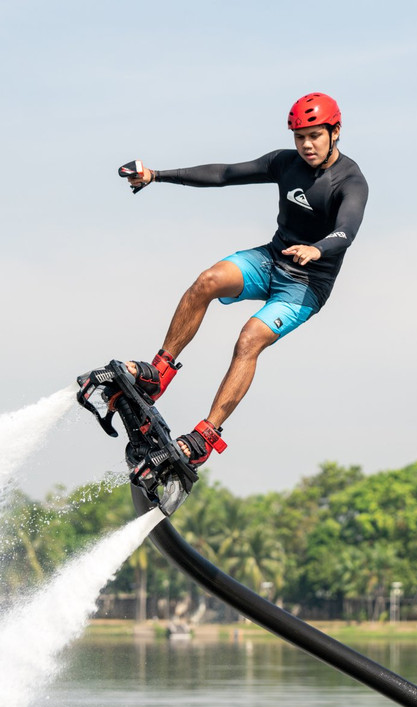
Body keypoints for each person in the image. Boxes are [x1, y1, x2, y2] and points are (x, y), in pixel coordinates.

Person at [122, 92, 369, 468]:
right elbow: (223, 175)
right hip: (272, 259)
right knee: (207, 280)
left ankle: (206, 436)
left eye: (315, 135)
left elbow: (346, 230)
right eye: (299, 136)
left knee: (249, 338)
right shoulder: (285, 163)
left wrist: (317, 249)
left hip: (305, 286)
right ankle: (158, 373)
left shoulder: (350, 181)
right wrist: (156, 175)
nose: (306, 145)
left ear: (335, 132)